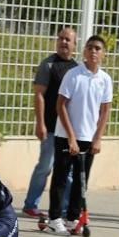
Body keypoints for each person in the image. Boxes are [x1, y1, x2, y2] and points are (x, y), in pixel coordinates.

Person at [45, 35, 112, 236]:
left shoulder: (105, 79)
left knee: (82, 180)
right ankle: (54, 218)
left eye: (98, 48)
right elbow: (60, 105)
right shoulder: (73, 75)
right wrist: (71, 137)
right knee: (61, 177)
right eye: (90, 47)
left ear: (103, 54)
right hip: (66, 135)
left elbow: (105, 110)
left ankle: (73, 218)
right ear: (84, 51)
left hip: (89, 137)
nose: (93, 51)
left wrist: (98, 138)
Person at [21, 27, 77, 219]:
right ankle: (31, 204)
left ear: (74, 45)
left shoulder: (77, 69)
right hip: (52, 128)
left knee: (68, 172)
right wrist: (41, 123)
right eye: (61, 38)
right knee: (45, 166)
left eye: (68, 40)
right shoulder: (48, 65)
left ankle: (65, 208)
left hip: (69, 131)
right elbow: (39, 95)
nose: (63, 42)